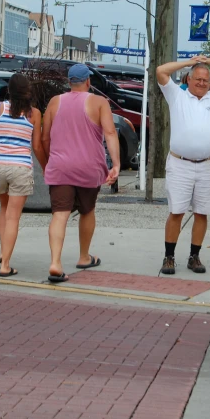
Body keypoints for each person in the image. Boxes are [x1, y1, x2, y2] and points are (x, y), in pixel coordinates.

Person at [156, 55, 210, 275]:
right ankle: (169, 256)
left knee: (202, 213)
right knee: (176, 211)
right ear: (189, 78)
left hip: (208, 165)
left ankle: (194, 256)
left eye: (206, 80)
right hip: (180, 164)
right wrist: (189, 61)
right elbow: (161, 71)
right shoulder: (176, 95)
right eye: (198, 79)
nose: (202, 83)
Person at [42, 63, 120, 283]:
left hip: (60, 167)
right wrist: (116, 164)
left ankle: (55, 262)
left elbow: (45, 137)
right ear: (88, 82)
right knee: (87, 210)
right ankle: (84, 256)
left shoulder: (55, 102)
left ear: (69, 82)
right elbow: (110, 132)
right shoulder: (99, 102)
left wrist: (52, 160)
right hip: (88, 167)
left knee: (60, 214)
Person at [0, 73, 47, 278]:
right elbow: (37, 146)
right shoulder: (34, 114)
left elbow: (0, 133)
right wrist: (46, 167)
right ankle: (5, 264)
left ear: (9, 90)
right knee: (14, 216)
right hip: (20, 167)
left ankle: (2, 251)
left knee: (3, 209)